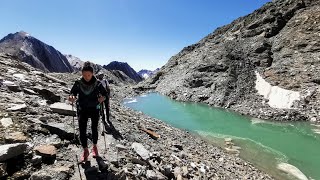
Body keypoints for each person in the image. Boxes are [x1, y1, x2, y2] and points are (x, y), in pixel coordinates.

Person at [68, 62, 108, 162]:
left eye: (89, 75)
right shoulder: (78, 83)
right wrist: (72, 96)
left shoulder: (98, 83)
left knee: (94, 128)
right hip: (82, 109)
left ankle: (94, 147)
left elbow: (105, 94)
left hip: (94, 109)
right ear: (81, 74)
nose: (86, 77)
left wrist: (103, 98)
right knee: (82, 130)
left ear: (92, 74)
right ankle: (85, 150)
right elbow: (73, 92)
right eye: (84, 75)